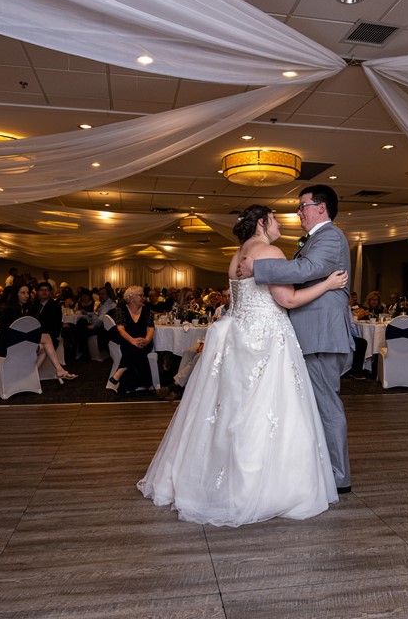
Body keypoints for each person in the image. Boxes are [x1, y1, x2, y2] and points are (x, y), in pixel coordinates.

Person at [138, 204, 348, 526]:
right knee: (265, 410)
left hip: (236, 336)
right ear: (263, 222)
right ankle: (259, 487)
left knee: (230, 410)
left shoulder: (238, 255)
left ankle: (213, 480)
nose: (281, 224)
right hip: (267, 339)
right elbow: (288, 300)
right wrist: (328, 285)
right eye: (276, 219)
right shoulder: (270, 252)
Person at [239, 184, 356, 494]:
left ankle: (338, 476)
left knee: (326, 406)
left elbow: (308, 269)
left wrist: (258, 267)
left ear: (322, 208)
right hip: (312, 334)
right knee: (315, 405)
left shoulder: (330, 236)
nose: (298, 212)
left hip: (320, 336)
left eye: (303, 205)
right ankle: (325, 469)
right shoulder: (317, 238)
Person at [0, 283, 76, 383]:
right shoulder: (11, 310)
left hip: (18, 344)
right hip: (9, 347)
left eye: (27, 293)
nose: (26, 296)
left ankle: (30, 378)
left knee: (44, 346)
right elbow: (12, 334)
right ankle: (59, 370)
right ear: (16, 294)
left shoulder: (22, 308)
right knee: (46, 338)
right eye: (23, 293)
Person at [109, 286, 157, 393]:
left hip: (145, 341)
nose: (143, 298)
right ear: (131, 297)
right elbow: (120, 329)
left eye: (143, 295)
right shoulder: (120, 310)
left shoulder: (146, 309)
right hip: (128, 340)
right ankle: (149, 383)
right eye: (140, 295)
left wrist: (147, 340)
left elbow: (150, 328)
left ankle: (120, 371)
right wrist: (132, 340)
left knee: (138, 348)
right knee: (136, 350)